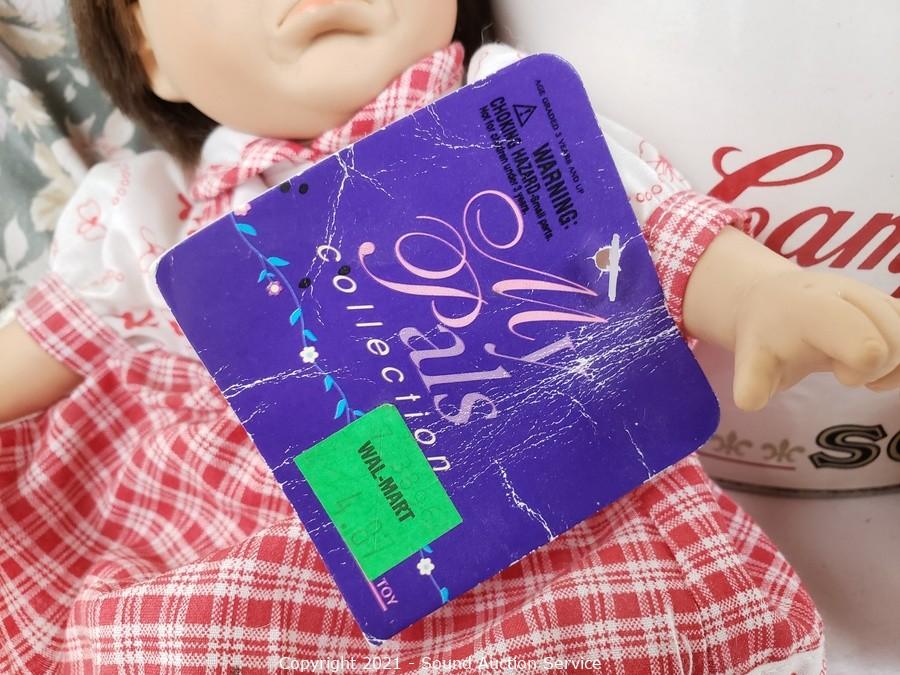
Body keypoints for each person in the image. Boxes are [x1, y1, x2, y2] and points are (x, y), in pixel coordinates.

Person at [1, 0, 893, 670]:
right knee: (173, 626)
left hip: (523, 477)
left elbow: (641, 224)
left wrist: (762, 293)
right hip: (258, 512)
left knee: (561, 616)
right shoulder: (154, 219)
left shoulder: (503, 118)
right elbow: (49, 345)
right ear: (148, 50)